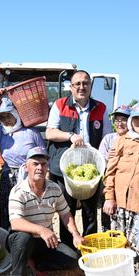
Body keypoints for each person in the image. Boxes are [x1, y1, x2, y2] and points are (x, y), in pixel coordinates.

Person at [7, 147, 85, 276]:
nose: (39, 168)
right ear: (26, 167)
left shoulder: (54, 188)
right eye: (35, 164)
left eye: (43, 164)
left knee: (73, 260)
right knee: (24, 238)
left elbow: (65, 213)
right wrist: (42, 230)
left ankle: (34, 263)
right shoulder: (18, 191)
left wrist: (76, 234)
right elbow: (15, 222)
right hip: (21, 240)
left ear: (47, 167)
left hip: (45, 242)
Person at [46, 70, 112, 247]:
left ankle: (89, 246)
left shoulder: (101, 108)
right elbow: (50, 132)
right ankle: (68, 248)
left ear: (90, 86)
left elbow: (107, 138)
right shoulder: (60, 105)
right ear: (71, 87)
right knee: (66, 210)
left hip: (90, 170)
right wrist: (70, 136)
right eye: (77, 84)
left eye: (85, 83)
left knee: (90, 212)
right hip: (65, 169)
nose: (82, 87)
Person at [0, 88, 45, 229]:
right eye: (2, 117)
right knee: (7, 209)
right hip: (8, 177)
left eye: (9, 115)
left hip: (29, 177)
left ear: (17, 114)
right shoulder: (1, 132)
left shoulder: (31, 132)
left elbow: (43, 156)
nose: (6, 120)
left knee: (28, 210)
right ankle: (7, 240)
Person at [102, 102, 139, 245]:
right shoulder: (122, 141)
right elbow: (110, 172)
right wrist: (109, 198)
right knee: (118, 244)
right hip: (120, 205)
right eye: (136, 119)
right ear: (131, 121)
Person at [98, 105, 131, 231]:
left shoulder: (134, 139)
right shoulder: (109, 138)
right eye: (117, 120)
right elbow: (100, 160)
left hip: (125, 182)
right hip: (109, 182)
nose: (119, 123)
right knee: (108, 214)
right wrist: (108, 157)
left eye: (123, 120)